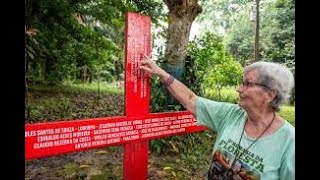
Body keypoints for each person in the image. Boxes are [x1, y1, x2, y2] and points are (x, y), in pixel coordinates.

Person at [139, 55, 295, 180]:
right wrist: (161, 73)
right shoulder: (230, 115)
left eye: (247, 84)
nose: (239, 89)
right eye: (242, 82)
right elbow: (191, 100)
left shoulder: (289, 141)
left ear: (270, 94)